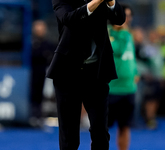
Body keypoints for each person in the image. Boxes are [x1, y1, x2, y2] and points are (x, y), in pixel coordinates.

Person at [46, 0, 125, 149]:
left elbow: (119, 19)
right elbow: (69, 19)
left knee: (100, 131)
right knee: (69, 134)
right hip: (67, 74)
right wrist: (96, 2)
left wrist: (111, 2)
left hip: (97, 74)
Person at [107, 4, 138, 150]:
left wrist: (135, 73)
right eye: (124, 15)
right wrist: (123, 33)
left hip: (128, 89)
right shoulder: (107, 33)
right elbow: (117, 51)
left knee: (125, 127)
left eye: (129, 16)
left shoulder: (128, 34)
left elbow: (130, 57)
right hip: (110, 89)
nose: (127, 19)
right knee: (101, 130)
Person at [30, 20, 55, 127]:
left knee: (40, 94)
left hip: (43, 73)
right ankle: (31, 115)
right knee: (32, 94)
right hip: (30, 73)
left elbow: (50, 55)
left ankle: (38, 116)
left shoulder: (48, 43)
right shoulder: (30, 42)